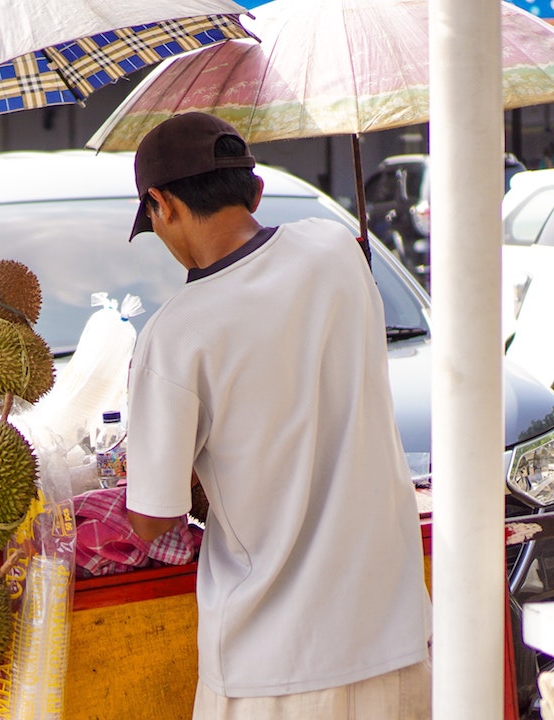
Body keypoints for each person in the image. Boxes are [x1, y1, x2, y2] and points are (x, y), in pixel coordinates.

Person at [120, 112, 432, 718]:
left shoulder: (174, 336)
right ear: (255, 192)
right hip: (393, 640)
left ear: (162, 204)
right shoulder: (338, 249)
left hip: (271, 670)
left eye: (152, 219)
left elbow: (153, 520)